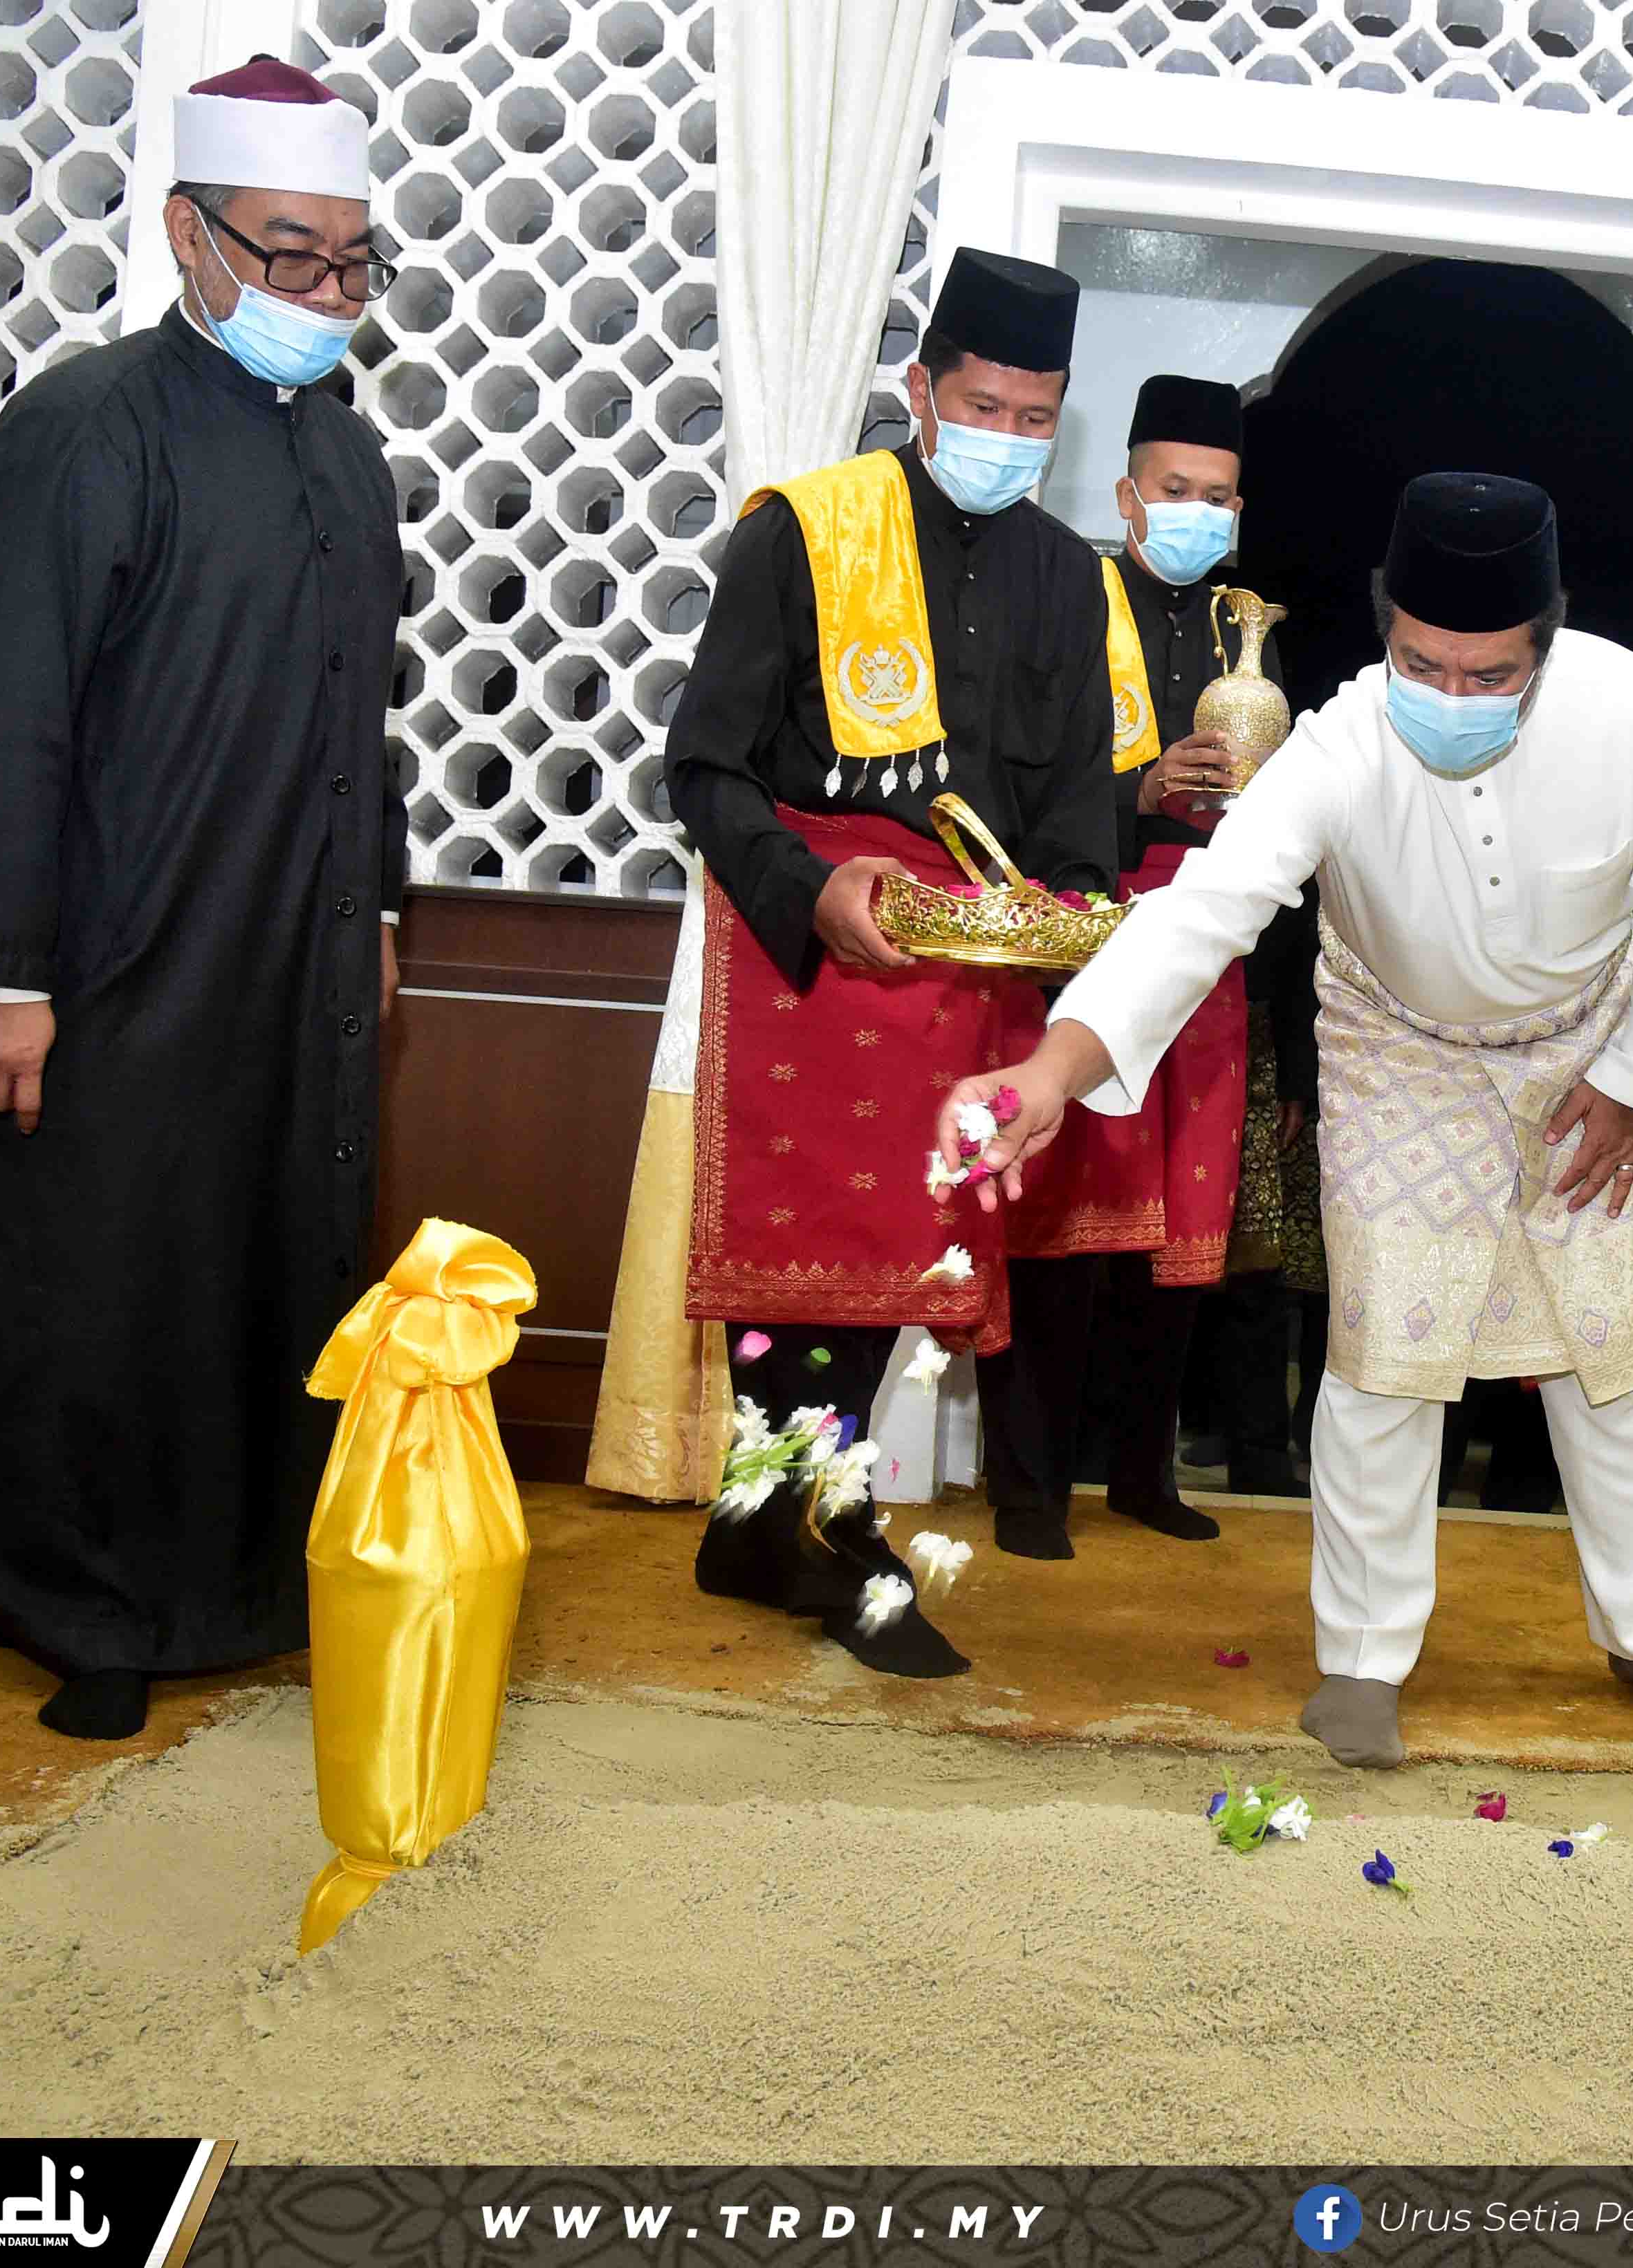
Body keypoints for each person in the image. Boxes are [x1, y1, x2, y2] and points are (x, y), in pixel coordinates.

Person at [941, 473, 1633, 1768]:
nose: (1452, 695)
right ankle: (1366, 1659)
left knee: (1612, 1359)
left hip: (1587, 1055)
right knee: (1385, 1357)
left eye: (1491, 674)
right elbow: (1201, 913)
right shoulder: (1338, 745)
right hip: (1398, 1052)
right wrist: (1049, 1072)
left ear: (1546, 643)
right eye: (1423, 664)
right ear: (1387, 633)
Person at [0, 57, 402, 1742]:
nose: (324, 291)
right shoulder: (86, 425)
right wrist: (0, 970)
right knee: (95, 1274)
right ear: (189, 235)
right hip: (112, 958)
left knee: (268, 1265)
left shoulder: (351, 459)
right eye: (289, 253)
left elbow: (366, 721)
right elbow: (5, 711)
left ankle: (244, 1584)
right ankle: (86, 1607)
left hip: (293, 951)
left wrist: (375, 917)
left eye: (351, 260)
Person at [667, 246, 1126, 1675]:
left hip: (965, 956)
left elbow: (1076, 807)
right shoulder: (803, 534)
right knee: (802, 1252)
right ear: (921, 389)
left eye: (1035, 418)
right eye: (982, 406)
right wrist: (808, 890)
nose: (1006, 437)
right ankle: (829, 1529)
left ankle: (759, 1522)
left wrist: (1070, 927)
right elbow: (704, 765)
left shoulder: (1068, 576)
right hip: (814, 933)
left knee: (906, 1246)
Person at [1013, 373, 1292, 1537]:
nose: (1197, 513)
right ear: (1127, 498)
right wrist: (1137, 792)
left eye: (1217, 497)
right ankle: (1033, 1488)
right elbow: (1014, 783)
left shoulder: (1252, 629)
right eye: (1175, 490)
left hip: (1213, 955)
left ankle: (1143, 1474)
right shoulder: (1069, 604)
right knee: (1069, 1226)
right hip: (1091, 933)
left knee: (1180, 1229)